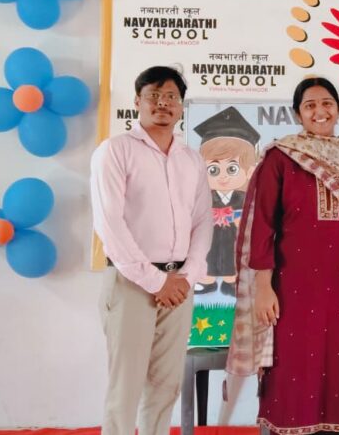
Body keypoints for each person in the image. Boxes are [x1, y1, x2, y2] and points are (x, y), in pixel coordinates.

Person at [226, 77, 339, 434]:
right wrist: (263, 286)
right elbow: (262, 225)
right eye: (310, 105)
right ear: (297, 114)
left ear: (338, 108)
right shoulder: (281, 157)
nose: (320, 111)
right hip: (291, 288)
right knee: (293, 372)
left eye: (326, 103)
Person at [90, 66, 213, 435]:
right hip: (131, 283)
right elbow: (110, 223)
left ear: (181, 106)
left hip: (179, 286)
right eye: (154, 96)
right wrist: (157, 281)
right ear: (137, 102)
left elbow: (202, 221)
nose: (163, 103)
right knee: (125, 389)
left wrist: (186, 277)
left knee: (165, 387)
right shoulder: (115, 151)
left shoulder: (191, 159)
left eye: (171, 97)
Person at [194, 106, 260, 296]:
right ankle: (207, 280)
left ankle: (232, 280)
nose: (222, 177)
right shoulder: (205, 198)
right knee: (208, 253)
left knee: (233, 254)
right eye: (213, 170)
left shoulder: (245, 199)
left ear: (249, 171)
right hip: (211, 235)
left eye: (232, 169)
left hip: (233, 235)